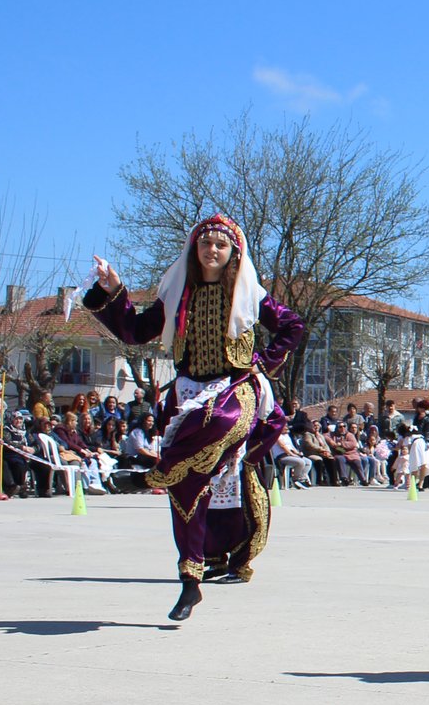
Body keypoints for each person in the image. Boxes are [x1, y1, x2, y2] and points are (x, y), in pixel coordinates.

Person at [83, 214, 306, 620]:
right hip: (189, 392)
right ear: (195, 249)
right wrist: (112, 291)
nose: (212, 251)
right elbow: (135, 331)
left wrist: (265, 362)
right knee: (189, 485)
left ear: (233, 251)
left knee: (220, 424)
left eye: (221, 245)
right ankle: (191, 579)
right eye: (206, 244)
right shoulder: (176, 294)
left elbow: (292, 326)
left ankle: (150, 477)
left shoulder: (249, 293)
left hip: (236, 389)